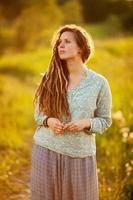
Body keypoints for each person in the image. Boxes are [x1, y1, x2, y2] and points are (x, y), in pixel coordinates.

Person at [30, 24, 112, 200]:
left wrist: (86, 123)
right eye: (59, 42)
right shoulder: (49, 78)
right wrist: (49, 121)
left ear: (81, 48)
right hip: (46, 150)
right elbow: (38, 115)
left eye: (67, 42)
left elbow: (105, 120)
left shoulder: (99, 83)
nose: (60, 45)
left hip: (79, 156)